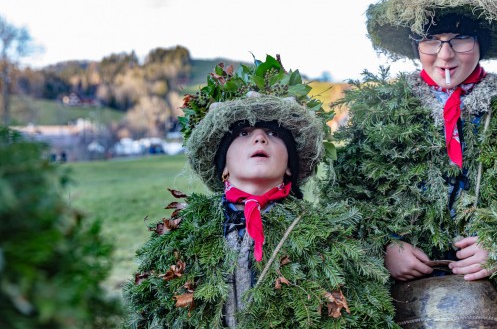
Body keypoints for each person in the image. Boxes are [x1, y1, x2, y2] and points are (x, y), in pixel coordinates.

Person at [123, 56, 396, 328]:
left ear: (290, 167)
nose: (260, 138)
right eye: (243, 133)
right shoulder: (185, 234)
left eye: (273, 133)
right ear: (224, 168)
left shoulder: (328, 235)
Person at [322, 0, 497, 326]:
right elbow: (344, 202)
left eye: (460, 39)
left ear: (481, 40)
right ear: (415, 44)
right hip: (402, 295)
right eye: (431, 40)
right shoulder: (378, 113)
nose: (445, 55)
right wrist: (385, 248)